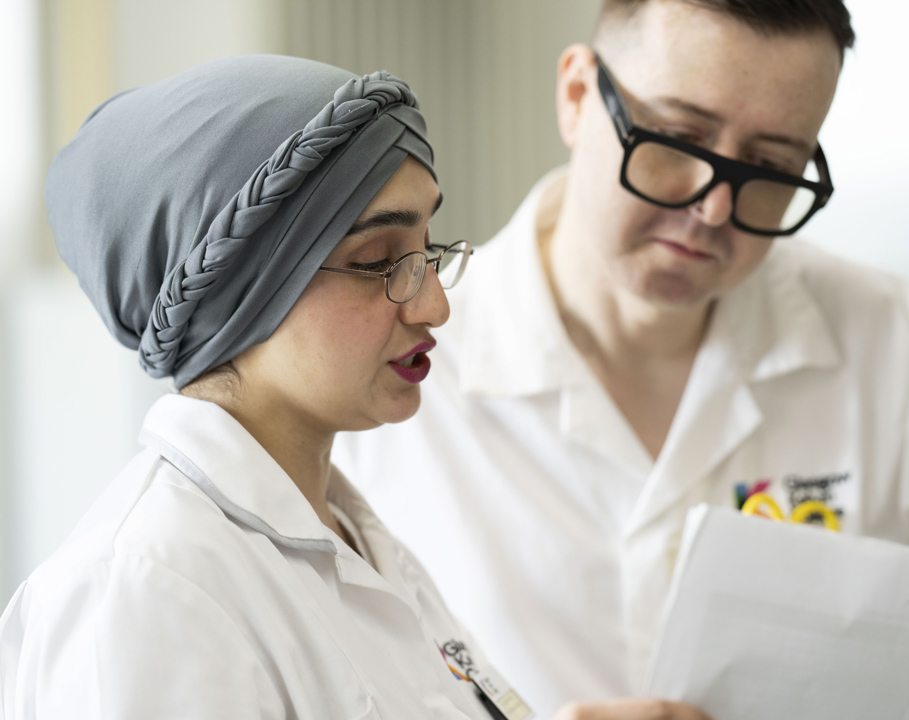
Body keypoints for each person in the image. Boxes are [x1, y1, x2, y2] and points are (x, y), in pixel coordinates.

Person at [333, 2, 909, 719]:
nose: (712, 207)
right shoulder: (403, 359)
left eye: (771, 167)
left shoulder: (885, 334)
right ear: (577, 96)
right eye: (680, 140)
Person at [0, 54, 710, 720]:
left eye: (427, 249)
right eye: (378, 261)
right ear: (241, 296)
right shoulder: (146, 590)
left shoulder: (352, 540)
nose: (434, 305)